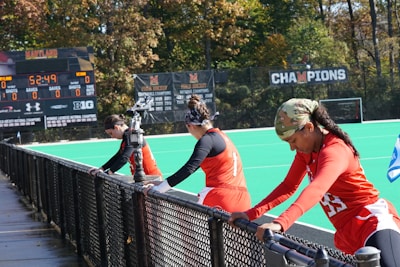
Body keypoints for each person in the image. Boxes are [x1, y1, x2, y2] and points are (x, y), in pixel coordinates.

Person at [228, 98, 400, 267]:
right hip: (349, 232)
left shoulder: (335, 151)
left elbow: (317, 189)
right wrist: (250, 214)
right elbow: (288, 186)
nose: (292, 148)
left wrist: (281, 223)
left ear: (309, 128)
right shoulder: (307, 152)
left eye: (293, 140)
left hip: (372, 223)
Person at [144, 94, 251, 213]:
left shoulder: (207, 140)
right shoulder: (222, 137)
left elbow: (189, 168)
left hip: (219, 197)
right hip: (243, 200)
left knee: (186, 222)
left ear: (190, 125)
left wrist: (159, 189)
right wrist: (162, 183)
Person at [88, 114, 162, 178]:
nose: (112, 137)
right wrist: (102, 168)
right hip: (143, 178)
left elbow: (124, 157)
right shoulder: (127, 137)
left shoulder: (132, 135)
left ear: (117, 127)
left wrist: (109, 172)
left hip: (151, 179)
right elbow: (118, 156)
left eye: (111, 133)